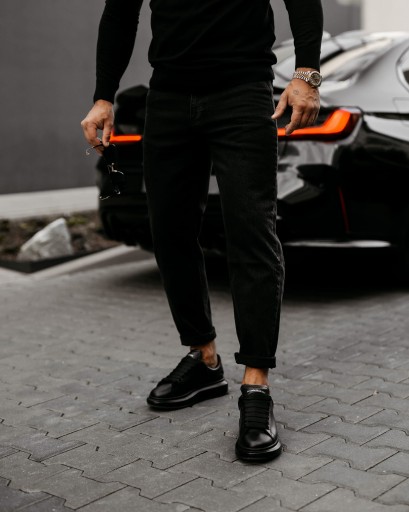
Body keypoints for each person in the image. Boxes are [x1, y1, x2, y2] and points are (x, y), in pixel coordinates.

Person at [82, 0, 323, 462]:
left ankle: (256, 386)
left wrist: (306, 74)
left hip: (242, 91)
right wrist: (103, 96)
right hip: (168, 96)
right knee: (169, 232)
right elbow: (120, 13)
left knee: (251, 233)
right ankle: (204, 359)